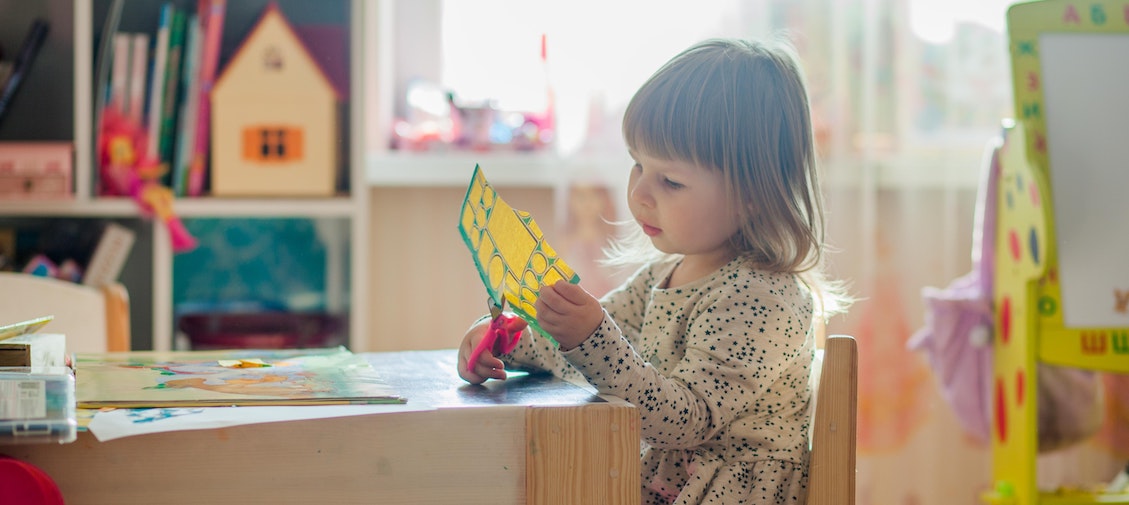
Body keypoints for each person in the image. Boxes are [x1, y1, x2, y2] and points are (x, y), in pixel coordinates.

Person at [457, 37, 850, 505]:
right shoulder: (665, 273)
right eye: (637, 165)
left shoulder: (764, 298)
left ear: (754, 194)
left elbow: (683, 420)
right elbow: (590, 355)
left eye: (671, 180)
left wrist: (590, 336)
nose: (639, 192)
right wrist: (507, 341)